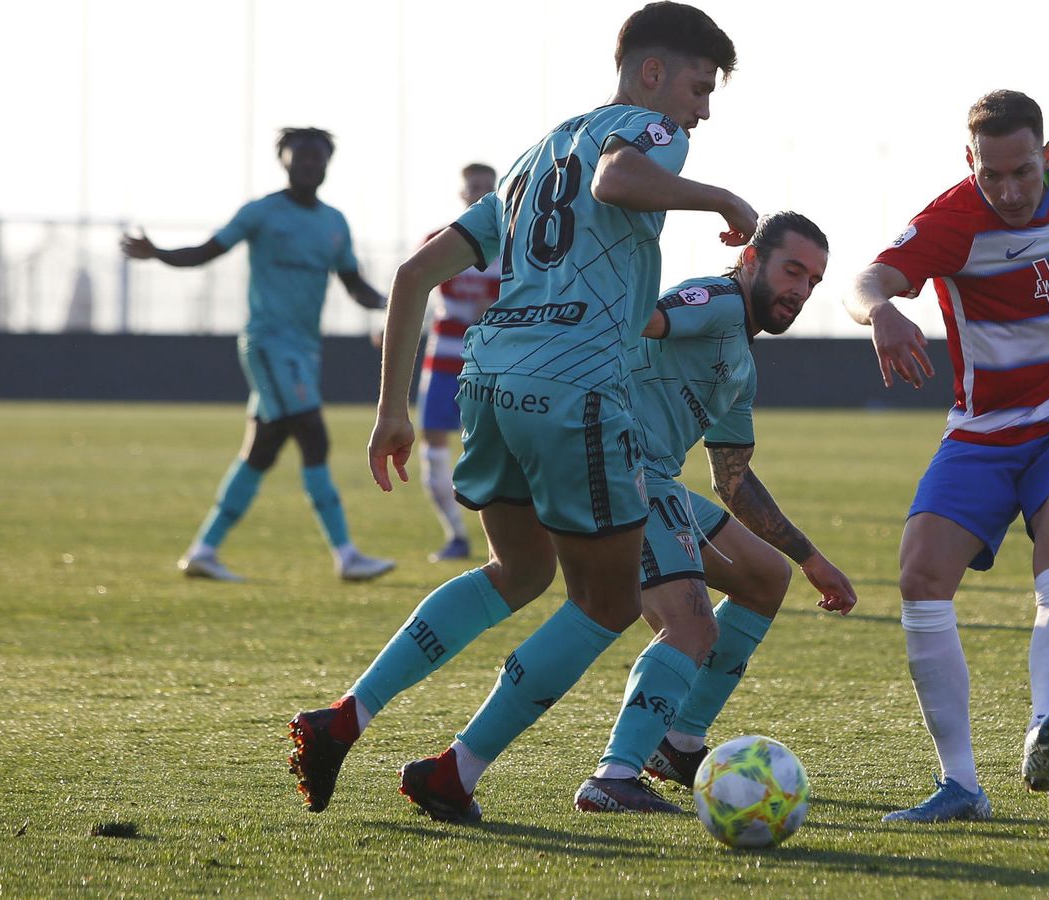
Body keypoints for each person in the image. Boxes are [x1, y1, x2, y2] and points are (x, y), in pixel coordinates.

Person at [287, 1, 756, 822]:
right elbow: (620, 179)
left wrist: (390, 410)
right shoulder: (649, 132)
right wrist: (724, 199)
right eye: (697, 85)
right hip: (576, 387)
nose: (702, 109)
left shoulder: (533, 157)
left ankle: (344, 716)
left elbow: (411, 276)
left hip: (492, 381)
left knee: (520, 571)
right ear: (653, 73)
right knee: (607, 602)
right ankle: (453, 773)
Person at [842, 90, 1049, 823]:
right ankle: (961, 785)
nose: (1010, 192)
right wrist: (883, 312)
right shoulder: (954, 220)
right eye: (993, 176)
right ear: (970, 164)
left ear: (1047, 156)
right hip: (984, 431)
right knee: (920, 573)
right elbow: (867, 281)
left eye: (1023, 172)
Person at [573, 212, 857, 813]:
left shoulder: (742, 365)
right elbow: (646, 318)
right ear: (751, 260)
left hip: (658, 481)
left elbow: (732, 480)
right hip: (620, 470)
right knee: (691, 627)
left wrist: (810, 558)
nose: (801, 291)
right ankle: (615, 774)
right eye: (792, 271)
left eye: (813, 281)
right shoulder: (719, 300)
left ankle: (678, 743)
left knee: (764, 577)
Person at [121, 127, 396, 583]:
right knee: (313, 435)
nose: (310, 164)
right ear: (283, 161)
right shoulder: (262, 213)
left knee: (262, 451)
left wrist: (393, 305)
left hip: (305, 351)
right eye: (301, 156)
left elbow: (353, 283)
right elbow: (208, 251)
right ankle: (346, 555)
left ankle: (204, 550)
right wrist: (159, 253)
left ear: (328, 164)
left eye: (318, 157)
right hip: (269, 344)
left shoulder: (334, 222)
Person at [415, 163, 502, 563]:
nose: (481, 193)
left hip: (489, 365)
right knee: (432, 446)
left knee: (493, 452)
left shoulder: (511, 244)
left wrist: (496, 307)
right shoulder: (437, 241)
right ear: (462, 193)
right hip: (443, 360)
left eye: (488, 187)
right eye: (474, 187)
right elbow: (414, 287)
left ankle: (500, 543)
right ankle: (455, 534)